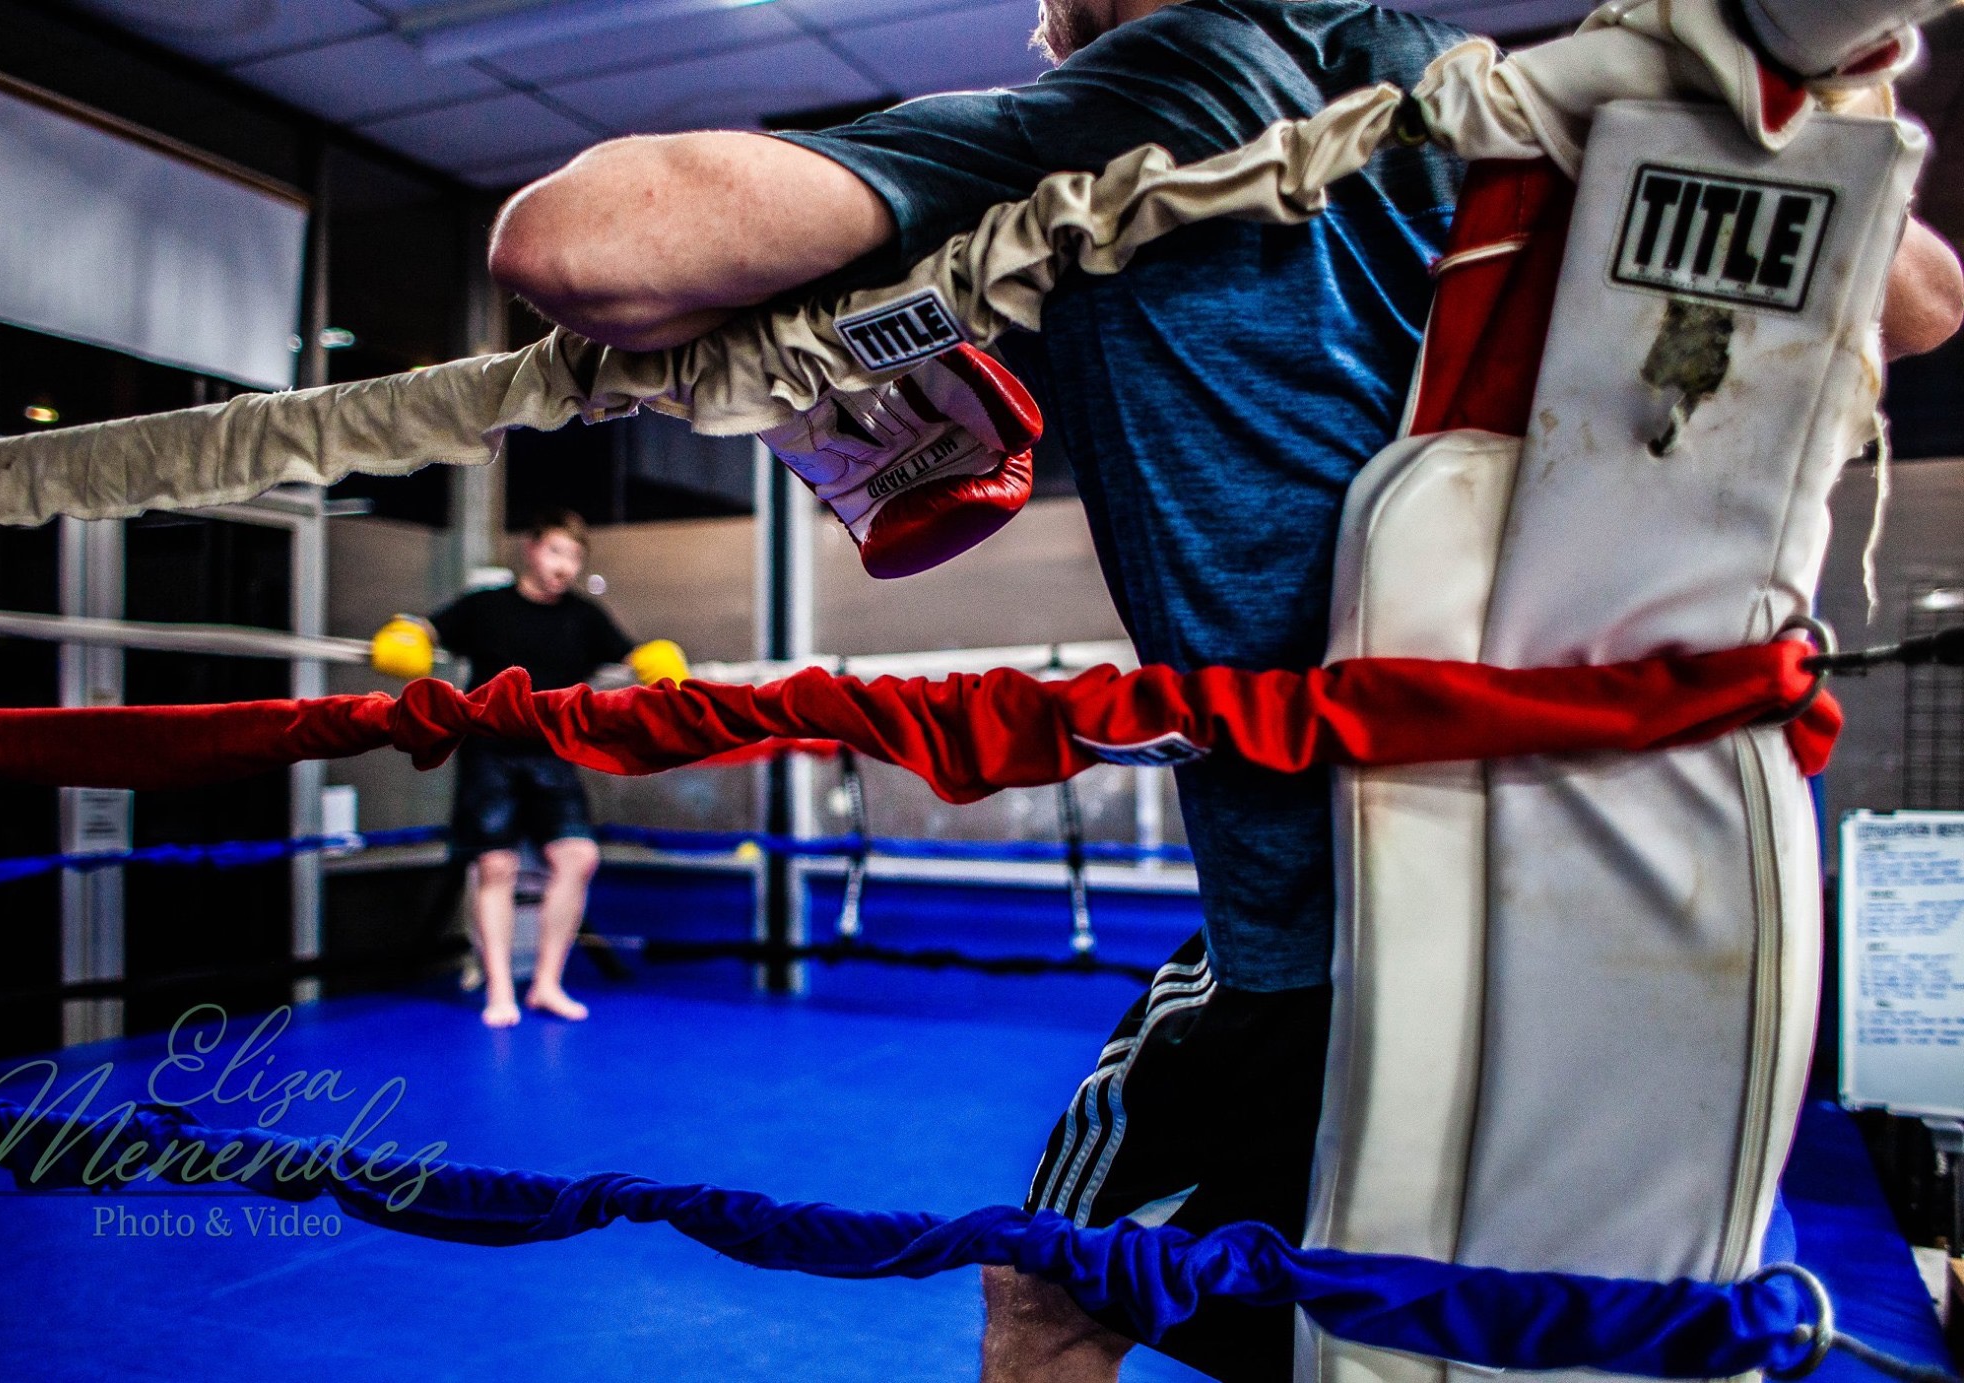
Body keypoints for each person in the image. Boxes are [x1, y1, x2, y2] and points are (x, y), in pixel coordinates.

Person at [485, 0, 1964, 1376]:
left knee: (1052, 1281)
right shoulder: (1492, 84)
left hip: (1317, 942)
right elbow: (1916, 299)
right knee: (1493, 1332)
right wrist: (1764, 65)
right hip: (1624, 915)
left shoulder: (1129, 99)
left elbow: (578, 248)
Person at [394, 509, 639, 1028]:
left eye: (574, 557)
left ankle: (547, 984)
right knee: (495, 865)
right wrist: (407, 636)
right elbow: (428, 628)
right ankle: (500, 990)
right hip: (490, 751)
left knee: (578, 856)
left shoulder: (583, 617)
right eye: (556, 552)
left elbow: (635, 658)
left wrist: (659, 659)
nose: (565, 566)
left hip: (554, 750)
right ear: (531, 549)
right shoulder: (487, 608)